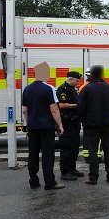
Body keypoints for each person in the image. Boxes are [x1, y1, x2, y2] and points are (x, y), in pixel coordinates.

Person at [22, 61, 65, 190]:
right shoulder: (49, 88)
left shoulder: (27, 89)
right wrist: (60, 125)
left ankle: (33, 181)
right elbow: (54, 109)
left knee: (33, 154)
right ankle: (49, 182)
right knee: (47, 154)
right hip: (47, 126)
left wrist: (28, 124)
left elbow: (25, 110)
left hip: (33, 126)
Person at [77, 65, 109, 184]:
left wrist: (84, 121)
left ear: (91, 75)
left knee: (92, 150)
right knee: (108, 150)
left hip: (91, 125)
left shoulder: (86, 89)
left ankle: (93, 177)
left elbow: (80, 108)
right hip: (107, 124)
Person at [56, 70, 85, 181]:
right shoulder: (63, 89)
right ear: (71, 79)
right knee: (66, 148)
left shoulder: (73, 89)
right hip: (66, 122)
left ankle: (72, 169)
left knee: (74, 147)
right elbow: (62, 105)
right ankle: (65, 172)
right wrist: (78, 105)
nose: (77, 83)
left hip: (74, 122)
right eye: (77, 81)